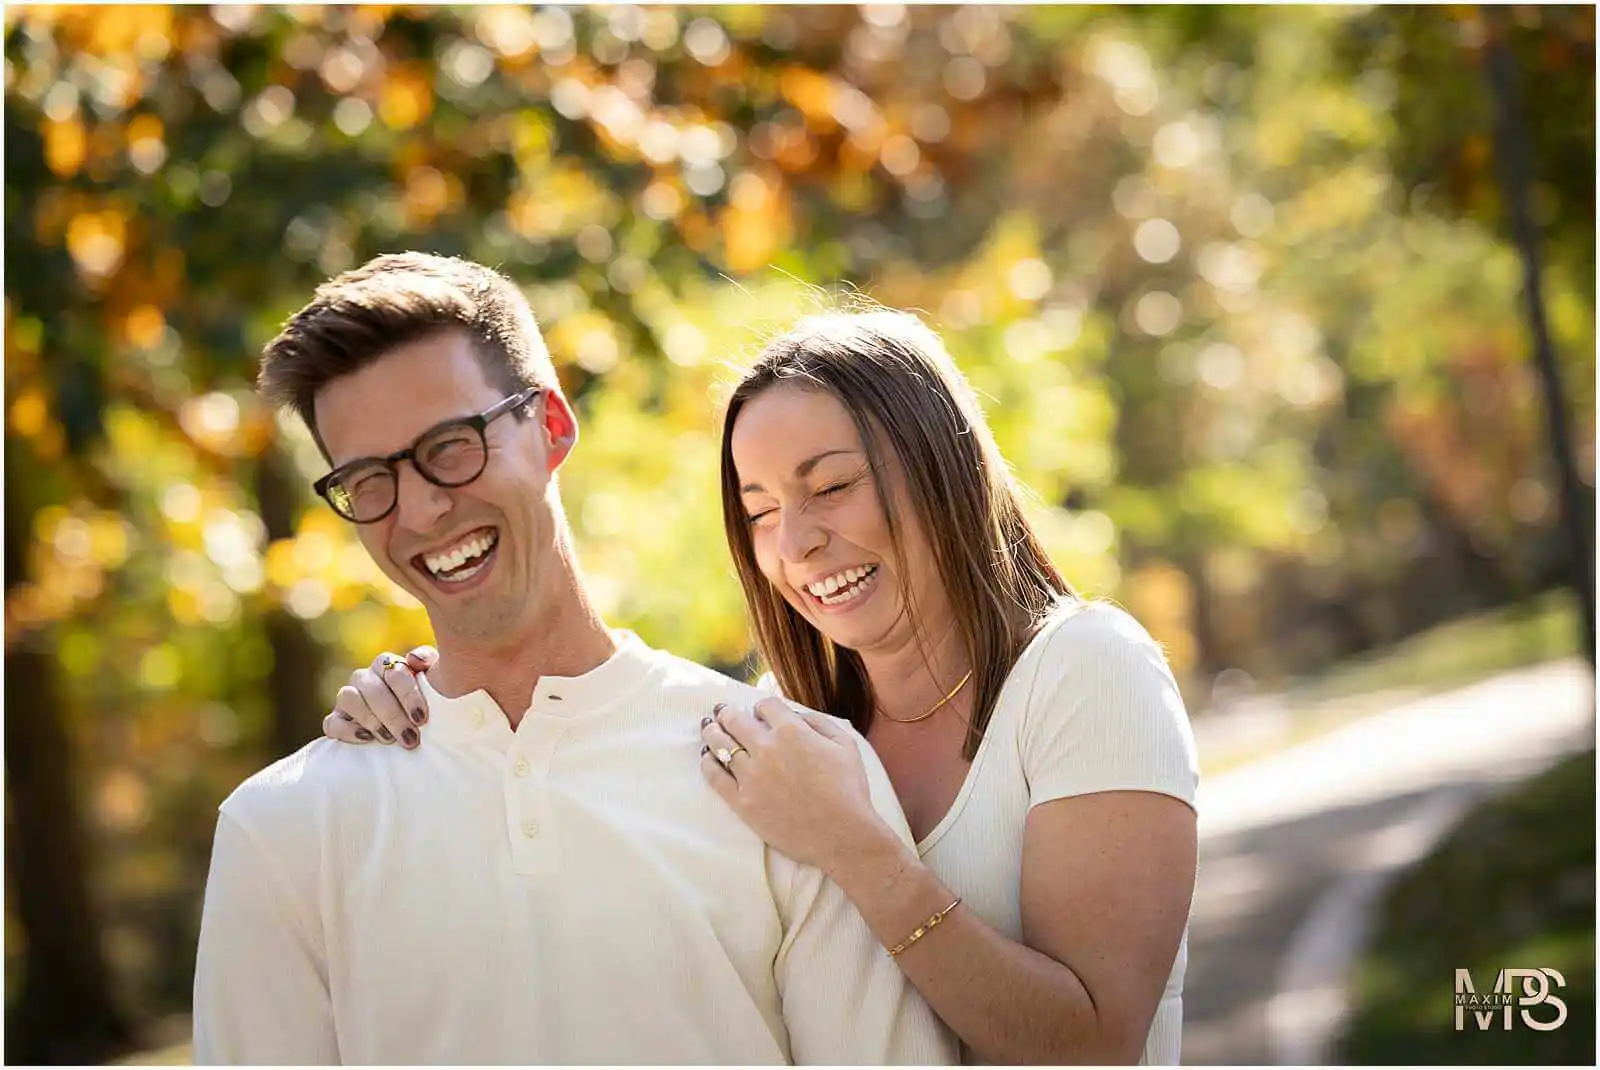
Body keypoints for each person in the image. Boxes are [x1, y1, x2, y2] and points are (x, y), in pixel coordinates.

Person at [327, 307, 1202, 1064]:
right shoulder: (787, 721)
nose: (798, 543)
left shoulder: (1086, 672)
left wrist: (856, 849)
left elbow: (1093, 1045)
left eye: (831, 487)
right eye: (760, 512)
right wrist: (429, 700)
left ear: (943, 465)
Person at [191, 253, 955, 1066]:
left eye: (450, 447)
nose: (420, 509)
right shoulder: (281, 832)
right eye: (369, 480)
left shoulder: (801, 779)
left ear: (551, 426)